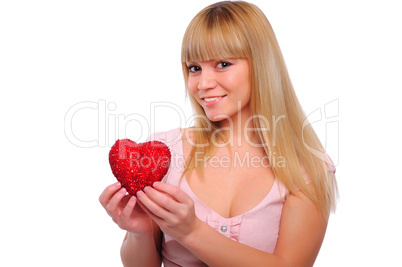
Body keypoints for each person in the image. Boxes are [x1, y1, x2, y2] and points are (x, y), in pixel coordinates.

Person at [99, 1, 338, 266]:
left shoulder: (306, 169)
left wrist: (191, 231)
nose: (203, 84)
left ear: (261, 65)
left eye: (223, 64)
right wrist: (139, 232)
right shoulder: (166, 152)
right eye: (194, 68)